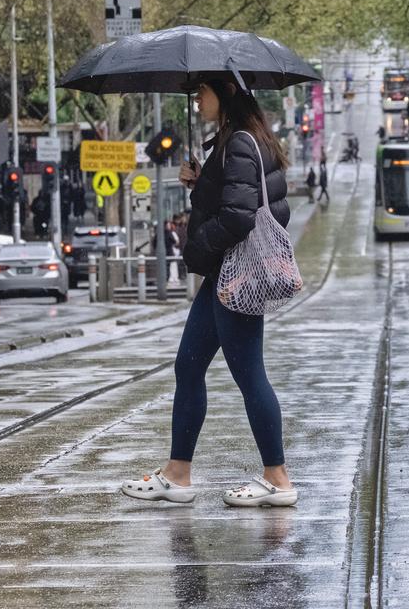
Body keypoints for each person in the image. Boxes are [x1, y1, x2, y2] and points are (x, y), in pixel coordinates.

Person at [120, 78, 296, 508]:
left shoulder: (238, 143)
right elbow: (247, 203)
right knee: (188, 366)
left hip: (233, 276)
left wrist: (197, 248)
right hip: (225, 274)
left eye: (202, 92)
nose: (197, 100)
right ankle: (177, 474)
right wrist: (200, 186)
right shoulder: (244, 141)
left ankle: (278, 478)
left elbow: (238, 218)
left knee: (249, 374)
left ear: (226, 93)